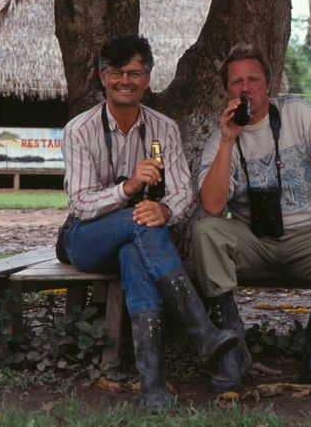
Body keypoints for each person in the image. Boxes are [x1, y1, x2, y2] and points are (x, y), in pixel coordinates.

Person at [61, 34, 238, 411]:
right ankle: (202, 331)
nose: (126, 80)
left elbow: (182, 193)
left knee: (135, 249)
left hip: (138, 240)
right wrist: (128, 189)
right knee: (140, 223)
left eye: (136, 73)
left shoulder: (164, 128)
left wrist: (166, 211)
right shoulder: (80, 130)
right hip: (85, 238)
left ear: (148, 77)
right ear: (102, 76)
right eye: (117, 72)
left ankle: (153, 384)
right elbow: (80, 202)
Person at [192, 42, 311, 394]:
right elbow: (212, 207)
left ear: (268, 85)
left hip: (304, 238)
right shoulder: (220, 137)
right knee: (206, 230)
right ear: (227, 90)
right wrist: (228, 140)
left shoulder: (297, 113)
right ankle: (233, 350)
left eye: (253, 80)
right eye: (237, 82)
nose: (246, 89)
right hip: (251, 239)